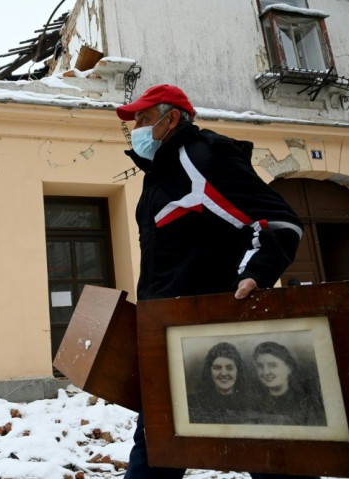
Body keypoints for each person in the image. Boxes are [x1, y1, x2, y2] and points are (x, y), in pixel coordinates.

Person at [115, 84, 313, 479]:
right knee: (157, 441)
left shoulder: (204, 155)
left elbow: (279, 223)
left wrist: (254, 273)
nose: (133, 127)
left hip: (222, 330)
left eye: (142, 118)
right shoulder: (156, 177)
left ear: (171, 119)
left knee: (267, 443)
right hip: (169, 331)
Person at [252, 341, 327, 426]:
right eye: (260, 366)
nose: (265, 372)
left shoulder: (307, 403)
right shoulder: (253, 402)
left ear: (289, 368)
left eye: (272, 365)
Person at [187, 342, 251, 424]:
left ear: (238, 371)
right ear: (209, 371)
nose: (223, 373)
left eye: (229, 368)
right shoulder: (193, 403)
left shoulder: (251, 403)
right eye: (217, 368)